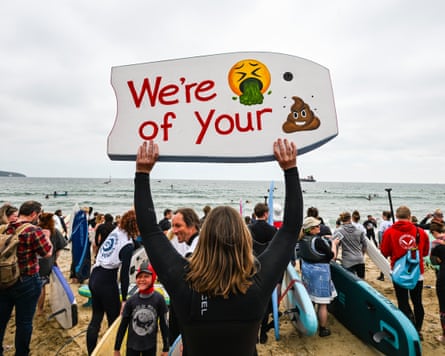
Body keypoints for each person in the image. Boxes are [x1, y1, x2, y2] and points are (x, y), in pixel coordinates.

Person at [134, 138, 302, 356]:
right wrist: (290, 170)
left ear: (204, 239)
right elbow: (290, 231)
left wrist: (142, 173)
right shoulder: (257, 283)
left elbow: (149, 232)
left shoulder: (184, 280)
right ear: (244, 240)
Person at [0, 200, 52, 356]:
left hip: (4, 279)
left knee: (2, 319)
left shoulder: (5, 228)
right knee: (24, 322)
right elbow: (46, 253)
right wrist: (47, 236)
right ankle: (21, 353)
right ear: (34, 214)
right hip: (27, 280)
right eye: (39, 214)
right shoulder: (33, 230)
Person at [86, 209, 139, 354]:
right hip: (107, 281)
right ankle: (112, 351)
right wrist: (124, 299)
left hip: (95, 275)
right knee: (114, 321)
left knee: (96, 318)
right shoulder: (128, 245)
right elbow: (124, 274)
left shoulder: (116, 231)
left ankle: (92, 352)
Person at [380, 205, 430, 339]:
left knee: (403, 302)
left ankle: (408, 330)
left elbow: (384, 252)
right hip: (416, 272)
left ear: (396, 217)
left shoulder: (389, 232)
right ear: (409, 216)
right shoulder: (420, 232)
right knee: (417, 301)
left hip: (398, 271)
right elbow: (425, 252)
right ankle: (418, 329)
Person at [114, 262, 169, 356]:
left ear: (153, 277)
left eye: (146, 276)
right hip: (132, 346)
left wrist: (166, 348)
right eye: (139, 276)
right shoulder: (131, 301)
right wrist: (117, 348)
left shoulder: (159, 299)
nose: (142, 279)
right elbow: (123, 325)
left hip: (150, 346)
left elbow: (164, 324)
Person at [298, 216, 339, 337]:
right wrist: (334, 244)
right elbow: (331, 256)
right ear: (310, 229)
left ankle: (309, 323)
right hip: (320, 273)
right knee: (322, 303)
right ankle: (322, 329)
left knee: (310, 299)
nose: (319, 227)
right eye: (316, 226)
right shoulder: (318, 241)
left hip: (307, 271)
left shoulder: (301, 239)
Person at [248, 202, 278, 344]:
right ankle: (263, 333)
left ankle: (253, 334)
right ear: (266, 214)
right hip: (267, 267)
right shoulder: (272, 230)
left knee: (252, 299)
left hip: (252, 266)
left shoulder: (248, 228)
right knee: (265, 301)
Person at [37, 212, 67, 314]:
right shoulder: (55, 232)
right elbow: (59, 249)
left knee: (34, 285)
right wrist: (55, 260)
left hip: (33, 261)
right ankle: (40, 309)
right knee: (42, 286)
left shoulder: (35, 230)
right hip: (47, 263)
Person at [335, 211, 367, 279]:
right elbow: (365, 245)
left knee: (350, 283)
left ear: (341, 220)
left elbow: (335, 246)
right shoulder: (359, 231)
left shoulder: (339, 231)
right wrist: (362, 254)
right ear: (350, 219)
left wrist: (334, 258)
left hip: (348, 261)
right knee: (361, 281)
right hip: (360, 259)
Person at [429, 222, 445, 344]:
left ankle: (444, 337)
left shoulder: (436, 245)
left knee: (443, 307)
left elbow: (434, 261)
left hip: (443, 277)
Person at [376, 211, 393, 281]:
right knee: (392, 260)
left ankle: (382, 276)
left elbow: (380, 233)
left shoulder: (383, 223)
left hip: (385, 243)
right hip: (392, 243)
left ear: (385, 216)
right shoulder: (392, 223)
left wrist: (380, 243)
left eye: (383, 215)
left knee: (383, 259)